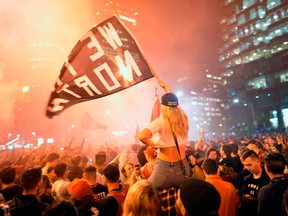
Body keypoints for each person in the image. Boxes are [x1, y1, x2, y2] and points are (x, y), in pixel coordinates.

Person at [139, 80, 190, 189]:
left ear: (163, 107)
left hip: (164, 167)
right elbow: (174, 104)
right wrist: (167, 88)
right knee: (186, 195)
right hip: (182, 166)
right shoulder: (184, 118)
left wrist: (153, 144)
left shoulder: (161, 121)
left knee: (147, 192)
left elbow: (142, 136)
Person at [238, 150, 270, 216]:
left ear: (257, 161)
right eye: (245, 165)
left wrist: (254, 200)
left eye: (249, 165)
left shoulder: (268, 178)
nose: (247, 168)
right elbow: (243, 193)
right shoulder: (246, 179)